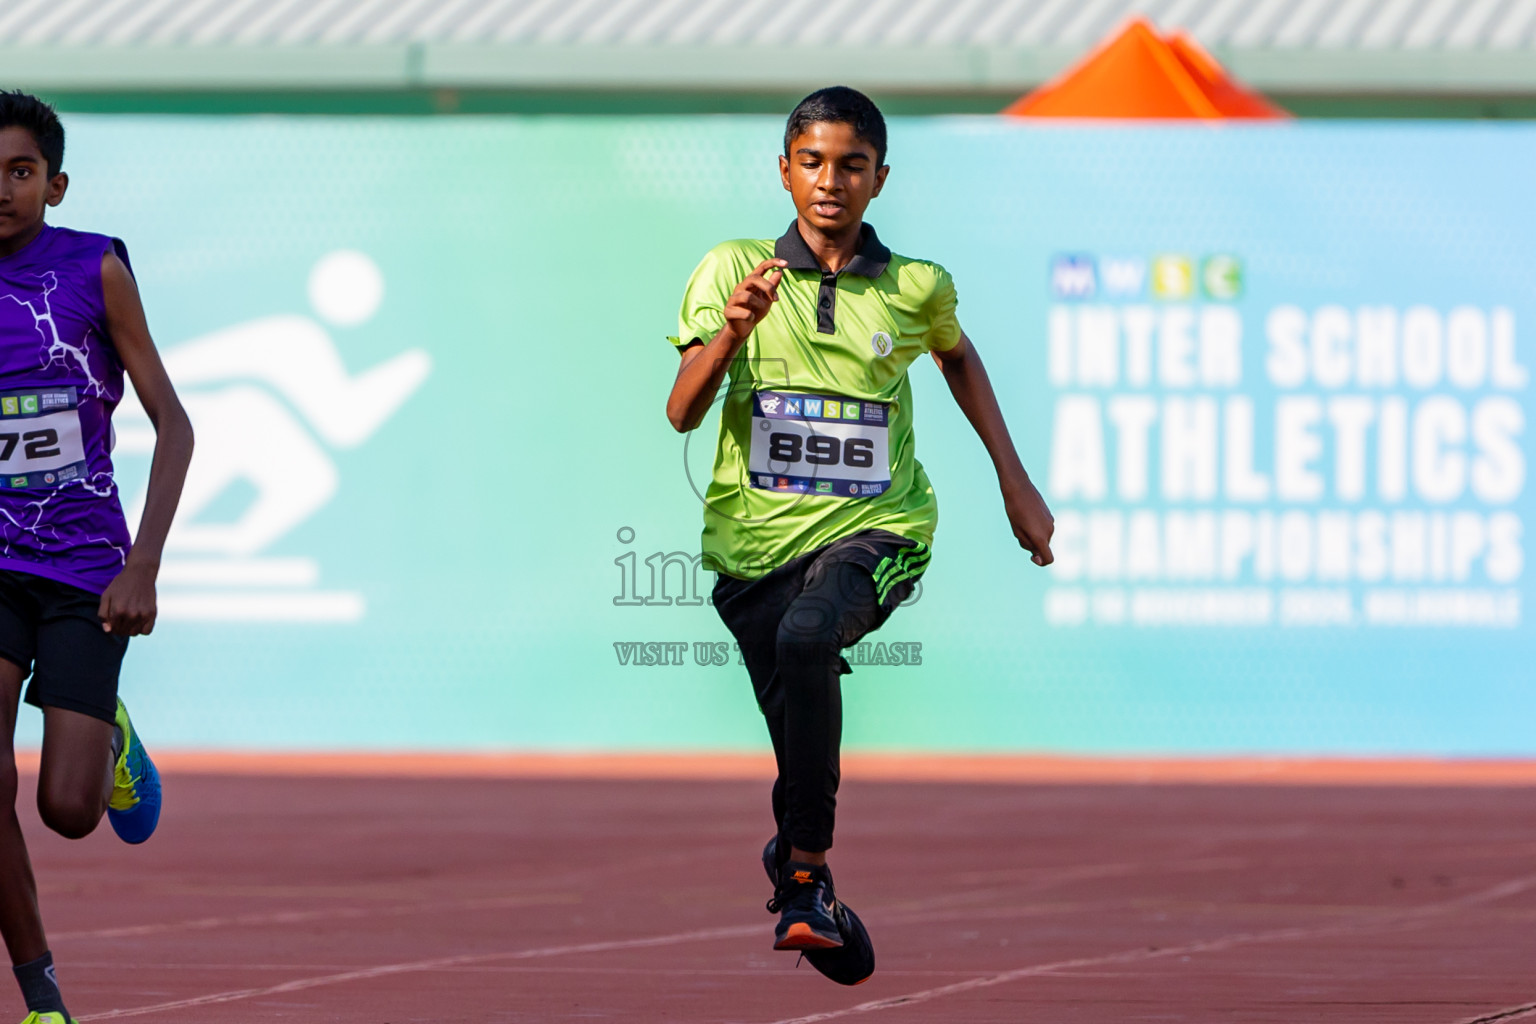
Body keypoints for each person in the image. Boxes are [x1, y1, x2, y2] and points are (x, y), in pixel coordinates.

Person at [664, 86, 1054, 985]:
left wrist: (1014, 481)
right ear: (785, 171)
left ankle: (801, 877)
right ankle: (810, 876)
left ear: (879, 178)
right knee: (796, 725)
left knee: (811, 635)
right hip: (751, 555)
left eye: (851, 165)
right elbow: (682, 411)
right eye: (812, 162)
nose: (830, 182)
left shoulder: (917, 286)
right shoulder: (732, 270)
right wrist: (731, 334)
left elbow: (957, 355)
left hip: (880, 529)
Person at [0, 92, 193, 1024]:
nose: (2, 188)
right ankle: (42, 1001)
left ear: (55, 183)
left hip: (82, 567)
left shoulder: (93, 267)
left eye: (21, 171)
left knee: (67, 810)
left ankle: (105, 731)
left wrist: (143, 564)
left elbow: (174, 423)